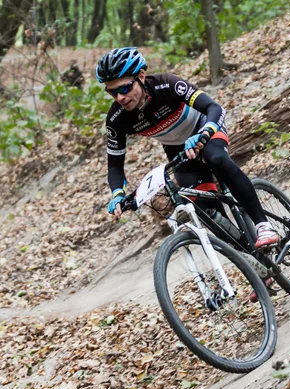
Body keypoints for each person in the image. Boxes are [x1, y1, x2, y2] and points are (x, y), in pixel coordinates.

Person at [97, 47, 278, 249]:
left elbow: (214, 108)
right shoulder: (116, 119)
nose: (120, 97)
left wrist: (205, 132)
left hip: (204, 125)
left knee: (215, 157)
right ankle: (251, 258)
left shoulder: (166, 84)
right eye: (112, 92)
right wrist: (117, 195)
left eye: (124, 88)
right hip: (177, 147)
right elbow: (114, 166)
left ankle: (263, 225)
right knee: (207, 211)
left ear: (141, 75)